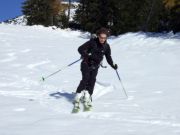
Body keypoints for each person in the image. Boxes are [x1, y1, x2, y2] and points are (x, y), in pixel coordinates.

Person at [74, 28, 118, 110]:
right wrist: (86, 55)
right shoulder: (92, 42)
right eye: (101, 37)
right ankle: (78, 95)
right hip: (86, 63)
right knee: (85, 79)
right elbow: (80, 49)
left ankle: (88, 96)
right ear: (98, 36)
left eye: (104, 38)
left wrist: (113, 65)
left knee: (92, 80)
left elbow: (108, 57)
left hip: (95, 66)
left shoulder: (106, 46)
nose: (103, 39)